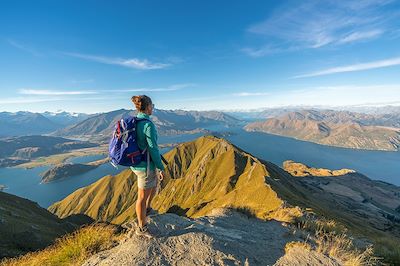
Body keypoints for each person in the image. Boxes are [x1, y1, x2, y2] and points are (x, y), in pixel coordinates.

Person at [130, 95, 165, 238]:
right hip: (145, 167)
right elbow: (153, 149)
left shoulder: (135, 121)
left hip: (137, 163)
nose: (153, 108)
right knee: (142, 198)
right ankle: (142, 227)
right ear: (148, 106)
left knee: (154, 184)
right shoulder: (147, 125)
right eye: (152, 105)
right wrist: (161, 167)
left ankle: (148, 210)